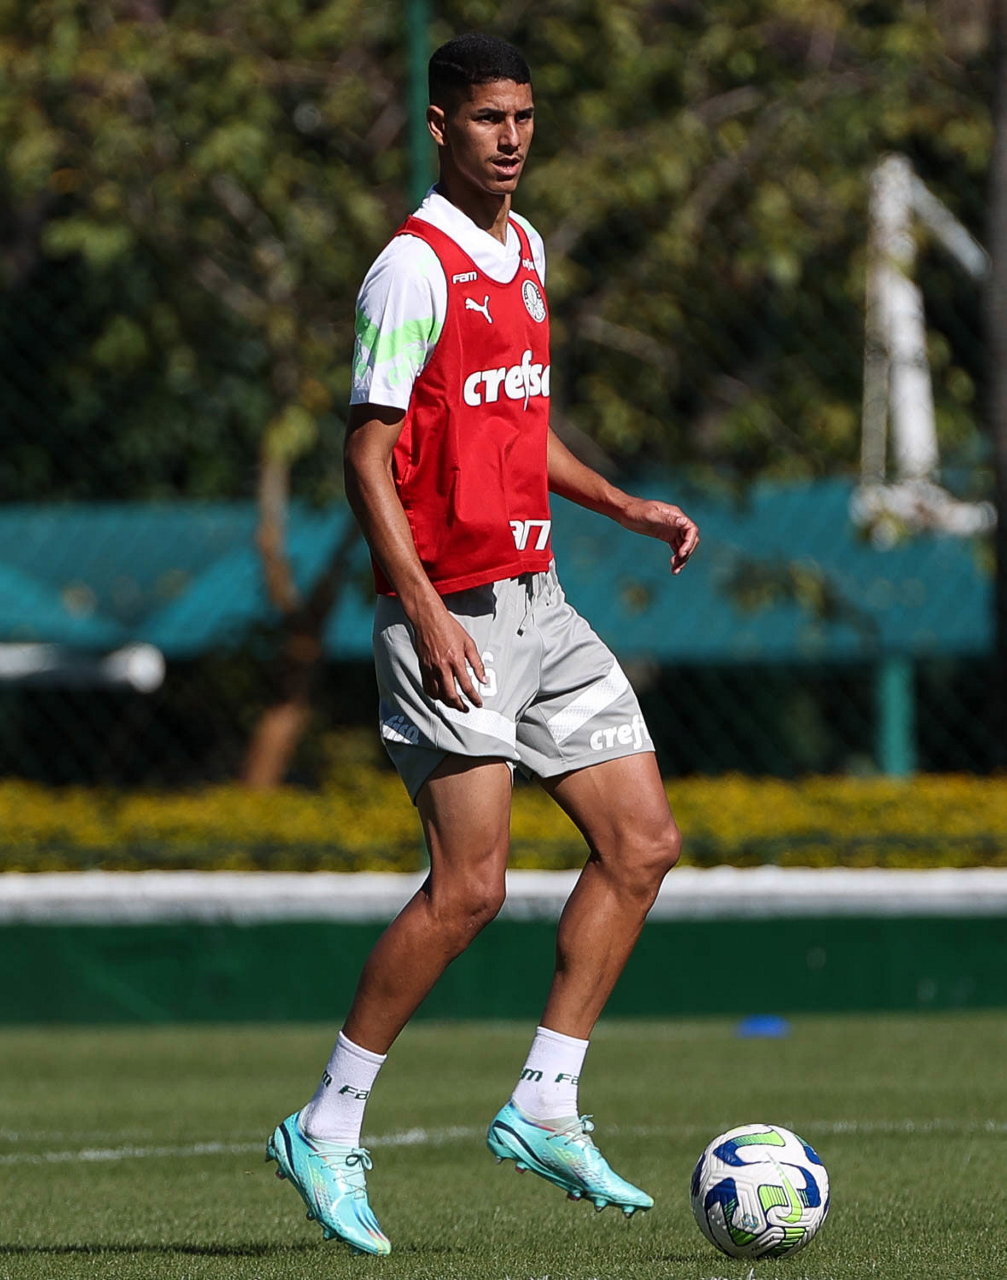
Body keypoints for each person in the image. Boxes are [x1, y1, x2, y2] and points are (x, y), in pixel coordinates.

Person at [266, 32, 700, 1257]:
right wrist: (417, 605)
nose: (509, 138)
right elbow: (365, 455)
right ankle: (325, 1122)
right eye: (485, 118)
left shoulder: (527, 250)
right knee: (469, 888)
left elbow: (516, 424)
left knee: (642, 842)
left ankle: (544, 1100)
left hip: (539, 601)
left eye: (522, 116)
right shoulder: (412, 268)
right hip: (448, 613)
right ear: (439, 126)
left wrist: (619, 503)